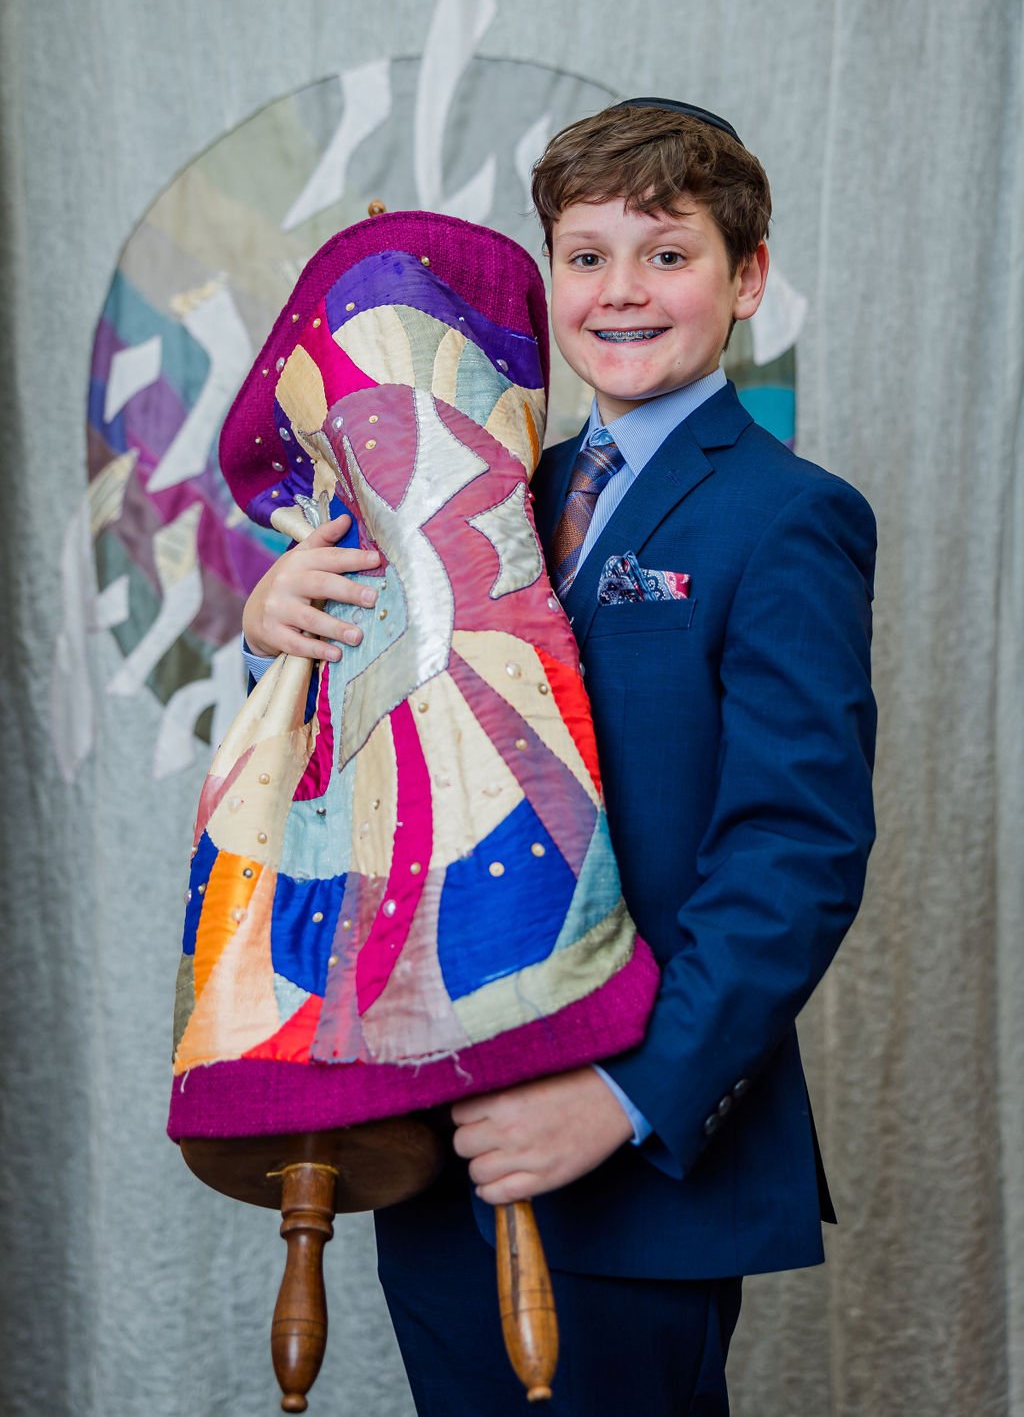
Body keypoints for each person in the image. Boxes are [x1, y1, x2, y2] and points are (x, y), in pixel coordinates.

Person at [241, 99, 877, 1415]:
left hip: (626, 1163)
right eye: (586, 257)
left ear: (746, 276)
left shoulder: (788, 519)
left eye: (667, 253)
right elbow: (368, 747)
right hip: (436, 1143)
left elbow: (794, 852)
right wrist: (277, 642)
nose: (621, 292)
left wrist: (623, 1096)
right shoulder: (475, 483)